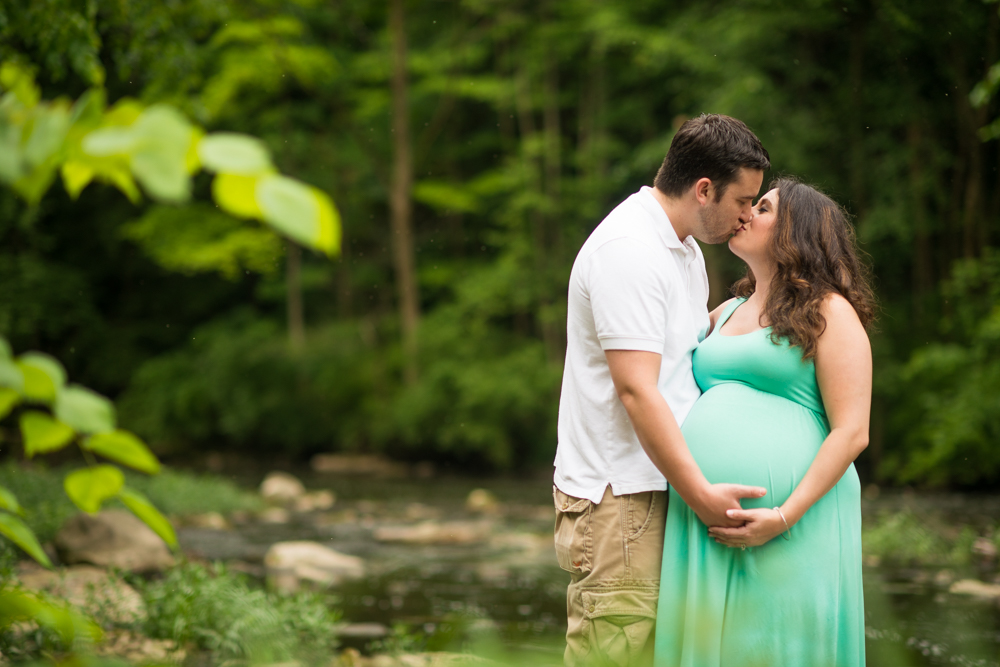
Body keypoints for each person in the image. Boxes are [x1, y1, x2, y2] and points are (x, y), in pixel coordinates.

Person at [553, 114, 771, 667]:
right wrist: (700, 493)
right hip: (622, 501)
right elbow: (637, 392)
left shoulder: (682, 248)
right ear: (704, 190)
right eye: (744, 200)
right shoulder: (628, 250)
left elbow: (679, 356)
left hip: (654, 491)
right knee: (618, 654)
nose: (748, 214)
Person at [653, 178, 876, 666]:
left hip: (796, 523)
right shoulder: (726, 310)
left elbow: (852, 431)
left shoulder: (829, 312)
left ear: (798, 232)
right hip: (706, 518)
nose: (747, 212)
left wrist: (783, 516)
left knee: (776, 643)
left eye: (764, 206)